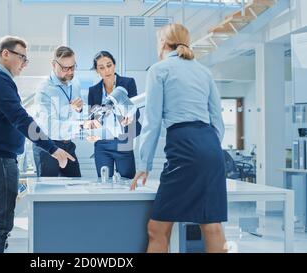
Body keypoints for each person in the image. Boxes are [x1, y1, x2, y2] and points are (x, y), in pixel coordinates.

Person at [0, 36, 75, 253]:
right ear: (6, 54)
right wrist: (53, 149)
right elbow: (20, 119)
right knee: (0, 224)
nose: (25, 64)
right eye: (22, 58)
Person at [130, 23, 228, 253]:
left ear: (163, 43)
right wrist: (208, 147)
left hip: (185, 146)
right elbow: (218, 120)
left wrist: (143, 164)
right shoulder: (204, 71)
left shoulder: (159, 69)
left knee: (158, 228)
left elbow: (152, 123)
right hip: (211, 146)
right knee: (212, 225)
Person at [33, 46, 100, 177]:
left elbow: (77, 112)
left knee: (75, 187)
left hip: (68, 144)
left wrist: (80, 110)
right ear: (53, 65)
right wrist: (77, 120)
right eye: (65, 68)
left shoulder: (74, 82)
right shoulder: (44, 89)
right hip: (48, 146)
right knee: (48, 191)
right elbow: (49, 126)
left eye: (73, 67)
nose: (70, 72)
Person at [87, 51, 141, 179]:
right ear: (97, 71)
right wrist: (92, 130)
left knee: (128, 181)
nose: (106, 70)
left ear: (114, 65)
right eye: (101, 68)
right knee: (104, 181)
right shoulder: (93, 90)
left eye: (109, 65)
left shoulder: (128, 83)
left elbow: (136, 110)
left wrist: (130, 116)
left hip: (123, 141)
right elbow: (91, 118)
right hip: (102, 143)